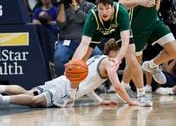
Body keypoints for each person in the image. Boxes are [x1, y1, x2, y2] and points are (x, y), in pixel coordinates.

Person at [0, 39, 139, 107]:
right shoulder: (109, 63)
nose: (124, 55)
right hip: (66, 88)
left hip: (63, 80)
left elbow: (87, 85)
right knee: (35, 101)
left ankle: (2, 88)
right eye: (122, 52)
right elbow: (118, 86)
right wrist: (130, 102)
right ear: (114, 52)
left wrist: (100, 101)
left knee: (29, 93)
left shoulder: (96, 58)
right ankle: (2, 100)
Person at [72, 0, 152, 106]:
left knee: (132, 59)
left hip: (119, 30)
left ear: (112, 7)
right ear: (96, 8)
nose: (104, 12)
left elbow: (125, 42)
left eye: (107, 8)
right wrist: (74, 62)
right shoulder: (92, 16)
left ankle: (142, 95)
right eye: (101, 8)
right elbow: (83, 44)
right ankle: (71, 92)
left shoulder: (121, 12)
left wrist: (118, 59)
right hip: (98, 30)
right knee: (81, 62)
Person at [119, 0, 176, 86]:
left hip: (153, 22)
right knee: (135, 63)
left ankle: (151, 65)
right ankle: (124, 87)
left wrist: (155, 10)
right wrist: (139, 1)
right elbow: (121, 4)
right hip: (137, 26)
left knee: (174, 51)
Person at [54, 0, 101, 76]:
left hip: (86, 42)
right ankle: (61, 83)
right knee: (59, 57)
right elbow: (60, 24)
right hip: (67, 41)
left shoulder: (89, 5)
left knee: (97, 55)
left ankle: (97, 84)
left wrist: (77, 10)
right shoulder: (65, 7)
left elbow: (92, 22)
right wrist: (63, 4)